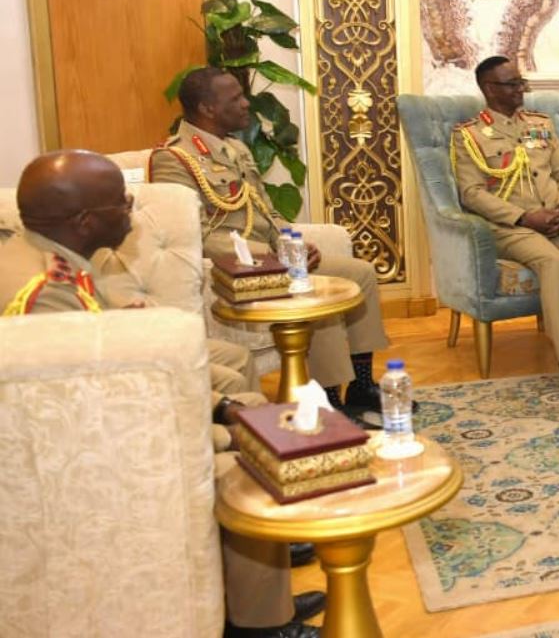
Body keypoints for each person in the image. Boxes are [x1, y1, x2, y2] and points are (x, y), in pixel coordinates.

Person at [0, 150, 322, 638]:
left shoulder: (45, 253)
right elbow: (103, 415)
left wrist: (221, 407)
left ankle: (255, 572)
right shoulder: (45, 291)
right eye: (120, 200)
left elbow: (99, 360)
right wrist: (223, 430)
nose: (131, 205)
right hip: (90, 463)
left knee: (237, 387)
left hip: (99, 423)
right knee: (247, 463)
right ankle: (261, 626)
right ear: (85, 221)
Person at [149, 67, 390, 418]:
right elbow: (193, 234)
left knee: (361, 273)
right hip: (237, 270)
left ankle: (361, 386)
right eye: (235, 98)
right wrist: (269, 256)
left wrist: (291, 244)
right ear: (207, 108)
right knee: (318, 288)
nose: (246, 104)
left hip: (276, 259)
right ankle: (328, 399)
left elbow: (266, 210)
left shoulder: (236, 148)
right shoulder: (174, 158)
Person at [452, 55, 559, 405]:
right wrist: (524, 217)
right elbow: (471, 194)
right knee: (552, 262)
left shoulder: (540, 124)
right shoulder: (468, 135)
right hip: (511, 228)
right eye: (512, 84)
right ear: (489, 88)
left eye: (521, 82)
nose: (521, 89)